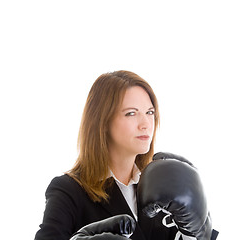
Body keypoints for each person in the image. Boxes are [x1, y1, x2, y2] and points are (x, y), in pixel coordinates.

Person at [34, 70, 217, 240]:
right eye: (131, 114)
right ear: (103, 121)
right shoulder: (68, 190)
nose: (145, 124)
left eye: (150, 112)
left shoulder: (162, 186)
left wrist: (200, 232)